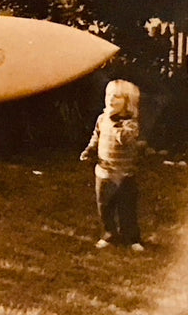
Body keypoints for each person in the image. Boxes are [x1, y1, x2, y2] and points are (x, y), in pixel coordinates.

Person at [79, 79, 145, 252]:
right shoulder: (102, 119)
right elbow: (96, 137)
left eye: (116, 97)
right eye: (108, 95)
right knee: (105, 206)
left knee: (127, 209)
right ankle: (109, 235)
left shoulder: (130, 123)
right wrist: (89, 151)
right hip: (104, 173)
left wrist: (116, 124)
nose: (110, 100)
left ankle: (131, 238)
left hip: (125, 174)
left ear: (127, 102)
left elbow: (125, 139)